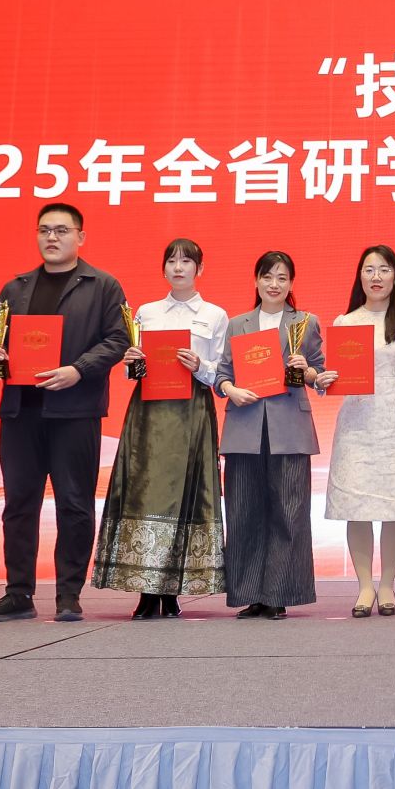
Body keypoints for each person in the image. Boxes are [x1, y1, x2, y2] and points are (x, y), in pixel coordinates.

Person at [0, 202, 129, 623]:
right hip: (21, 411)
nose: (52, 237)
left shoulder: (102, 285)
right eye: (45, 229)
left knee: (75, 504)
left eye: (62, 230)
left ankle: (68, 594)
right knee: (18, 505)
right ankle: (18, 594)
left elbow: (118, 339)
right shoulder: (16, 287)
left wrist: (77, 370)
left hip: (74, 411)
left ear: (81, 237)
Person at [92, 238, 229, 618]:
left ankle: (172, 591)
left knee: (186, 496)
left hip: (192, 413)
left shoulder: (215, 315)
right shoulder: (145, 313)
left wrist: (199, 365)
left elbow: (221, 371)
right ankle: (146, 590)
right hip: (149, 416)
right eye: (172, 261)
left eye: (187, 261)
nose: (179, 267)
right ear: (164, 268)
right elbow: (131, 372)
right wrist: (132, 361)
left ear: (200, 269)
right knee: (145, 495)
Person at [214, 250, 328, 619]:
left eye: (282, 278)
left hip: (289, 427)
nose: (274, 284)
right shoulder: (238, 324)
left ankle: (279, 593)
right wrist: (230, 389)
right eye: (267, 276)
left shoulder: (306, 322)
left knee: (288, 512)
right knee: (243, 511)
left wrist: (307, 370)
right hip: (244, 426)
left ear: (291, 283)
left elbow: (320, 375)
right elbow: (222, 374)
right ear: (256, 280)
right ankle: (250, 593)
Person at [325, 244, 395, 618]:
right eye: (369, 270)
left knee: (394, 505)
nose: (376, 277)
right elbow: (333, 374)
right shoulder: (345, 322)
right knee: (356, 507)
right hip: (356, 425)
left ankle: (387, 584)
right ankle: (364, 586)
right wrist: (326, 378)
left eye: (384, 269)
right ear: (360, 277)